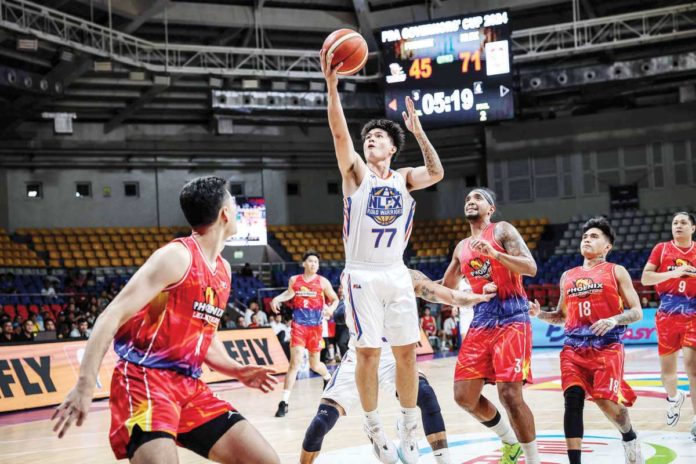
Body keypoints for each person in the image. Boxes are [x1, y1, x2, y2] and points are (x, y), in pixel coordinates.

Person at [51, 176, 280, 464]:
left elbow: (203, 338)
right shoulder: (177, 257)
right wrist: (85, 384)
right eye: (233, 204)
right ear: (224, 214)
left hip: (189, 387)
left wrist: (237, 371)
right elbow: (111, 316)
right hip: (145, 380)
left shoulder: (223, 270)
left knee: (265, 461)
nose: (235, 210)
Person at [321, 44, 445, 464]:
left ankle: (408, 427)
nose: (369, 139)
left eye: (377, 137)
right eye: (367, 137)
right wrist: (332, 86)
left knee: (407, 352)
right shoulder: (356, 173)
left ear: (392, 147)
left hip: (395, 272)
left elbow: (437, 173)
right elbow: (340, 133)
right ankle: (374, 428)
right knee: (369, 353)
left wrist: (418, 131)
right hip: (360, 275)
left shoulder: (404, 178)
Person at [300, 269, 496, 464]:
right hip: (359, 357)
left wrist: (477, 296)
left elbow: (442, 290)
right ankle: (371, 430)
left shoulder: (406, 276)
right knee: (320, 423)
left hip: (392, 356)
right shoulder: (355, 271)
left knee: (426, 395)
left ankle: (433, 452)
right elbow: (340, 312)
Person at [531, 217, 644, 464]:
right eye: (584, 236)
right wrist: (539, 313)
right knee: (572, 399)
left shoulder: (616, 271)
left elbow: (637, 311)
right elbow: (561, 317)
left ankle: (629, 436)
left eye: (594, 236)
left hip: (607, 346)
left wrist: (614, 319)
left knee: (605, 401)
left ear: (607, 246)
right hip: (573, 348)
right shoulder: (568, 275)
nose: (587, 239)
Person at [443, 188, 539, 464]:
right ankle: (510, 442)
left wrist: (496, 256)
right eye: (467, 199)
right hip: (481, 320)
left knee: (509, 394)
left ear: (490, 208)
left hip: (512, 317)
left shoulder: (502, 231)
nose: (470, 201)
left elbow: (530, 267)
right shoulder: (461, 248)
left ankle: (534, 460)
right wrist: (410, 283)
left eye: (477, 198)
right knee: (464, 397)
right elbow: (447, 287)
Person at [641, 211, 696, 438]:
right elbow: (645, 278)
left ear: (693, 228)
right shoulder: (661, 249)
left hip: (693, 313)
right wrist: (674, 273)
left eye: (683, 222)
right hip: (666, 314)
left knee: (692, 368)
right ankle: (674, 398)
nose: (678, 226)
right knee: (668, 373)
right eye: (675, 223)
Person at [270, 251, 339, 417]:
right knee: (295, 363)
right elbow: (289, 293)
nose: (314, 264)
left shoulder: (323, 282)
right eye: (310, 261)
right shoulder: (295, 280)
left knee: (314, 365)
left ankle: (327, 377)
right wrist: (276, 299)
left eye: (316, 261)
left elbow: (335, 299)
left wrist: (330, 309)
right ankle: (284, 403)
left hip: (315, 328)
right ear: (304, 264)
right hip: (299, 326)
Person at [332, 285, 349, 359]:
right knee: (338, 343)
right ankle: (345, 359)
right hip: (336, 325)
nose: (340, 290)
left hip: (346, 325)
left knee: (342, 343)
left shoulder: (349, 299)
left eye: (342, 288)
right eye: (339, 288)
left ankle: (347, 360)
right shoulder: (335, 299)